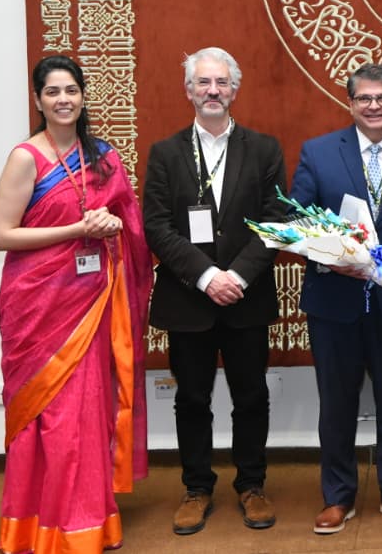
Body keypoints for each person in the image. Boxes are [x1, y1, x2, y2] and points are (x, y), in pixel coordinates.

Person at [0, 55, 152, 554]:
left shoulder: (103, 156)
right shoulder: (26, 158)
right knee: (47, 415)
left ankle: (86, 522)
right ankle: (34, 526)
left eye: (71, 90)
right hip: (37, 304)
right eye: (53, 92)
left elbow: (129, 223)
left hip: (92, 302)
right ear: (38, 101)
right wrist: (78, 229)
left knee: (85, 413)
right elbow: (2, 235)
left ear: (83, 96)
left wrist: (112, 225)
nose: (63, 100)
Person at [289, 64, 382, 535]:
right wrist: (330, 255)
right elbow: (298, 221)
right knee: (336, 403)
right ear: (350, 103)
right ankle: (337, 497)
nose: (374, 106)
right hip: (334, 299)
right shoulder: (318, 152)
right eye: (364, 98)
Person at [143, 47, 287, 535]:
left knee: (251, 396)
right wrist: (207, 276)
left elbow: (275, 221)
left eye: (221, 82)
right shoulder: (165, 153)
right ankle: (196, 488)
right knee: (191, 398)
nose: (212, 91)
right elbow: (157, 226)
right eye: (203, 82)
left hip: (247, 296)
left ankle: (252, 485)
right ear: (188, 90)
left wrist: (237, 277)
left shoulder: (264, 149)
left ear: (234, 90)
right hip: (189, 299)